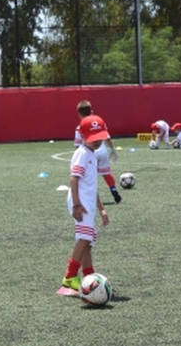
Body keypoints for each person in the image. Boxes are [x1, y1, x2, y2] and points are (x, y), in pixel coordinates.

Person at [61, 114, 110, 293]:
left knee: (87, 241)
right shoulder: (81, 153)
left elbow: (93, 186)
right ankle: (69, 277)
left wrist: (102, 209)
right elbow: (73, 179)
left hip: (87, 203)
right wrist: (76, 204)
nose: (97, 142)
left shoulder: (92, 155)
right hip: (80, 203)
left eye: (99, 139)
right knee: (83, 239)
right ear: (83, 137)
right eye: (93, 139)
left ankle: (89, 276)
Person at [75, 100, 121, 203]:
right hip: (103, 151)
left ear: (79, 114)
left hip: (90, 153)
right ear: (91, 111)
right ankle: (114, 190)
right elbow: (107, 137)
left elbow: (78, 145)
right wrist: (112, 149)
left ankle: (87, 197)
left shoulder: (80, 127)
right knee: (106, 173)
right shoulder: (99, 122)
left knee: (87, 177)